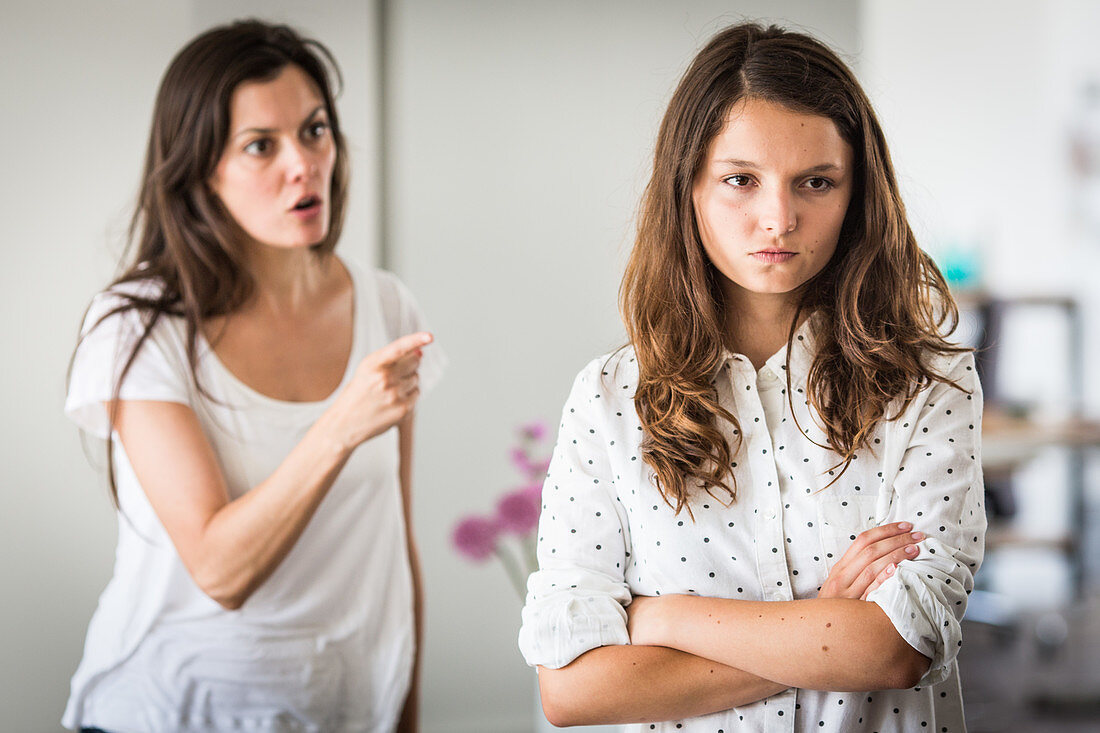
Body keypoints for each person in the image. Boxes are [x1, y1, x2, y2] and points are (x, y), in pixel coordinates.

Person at [518, 22, 985, 733]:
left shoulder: (931, 383)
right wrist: (824, 623)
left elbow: (895, 648)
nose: (779, 218)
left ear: (857, 192)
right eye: (741, 179)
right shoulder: (609, 399)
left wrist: (661, 618)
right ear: (690, 189)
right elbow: (575, 690)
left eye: (816, 182)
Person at [63, 20, 443, 733]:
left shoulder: (387, 305)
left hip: (347, 714)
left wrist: (405, 713)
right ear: (201, 169)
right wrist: (338, 425)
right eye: (260, 145)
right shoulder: (137, 325)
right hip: (169, 712)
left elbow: (396, 543)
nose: (303, 164)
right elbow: (220, 570)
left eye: (315, 130)